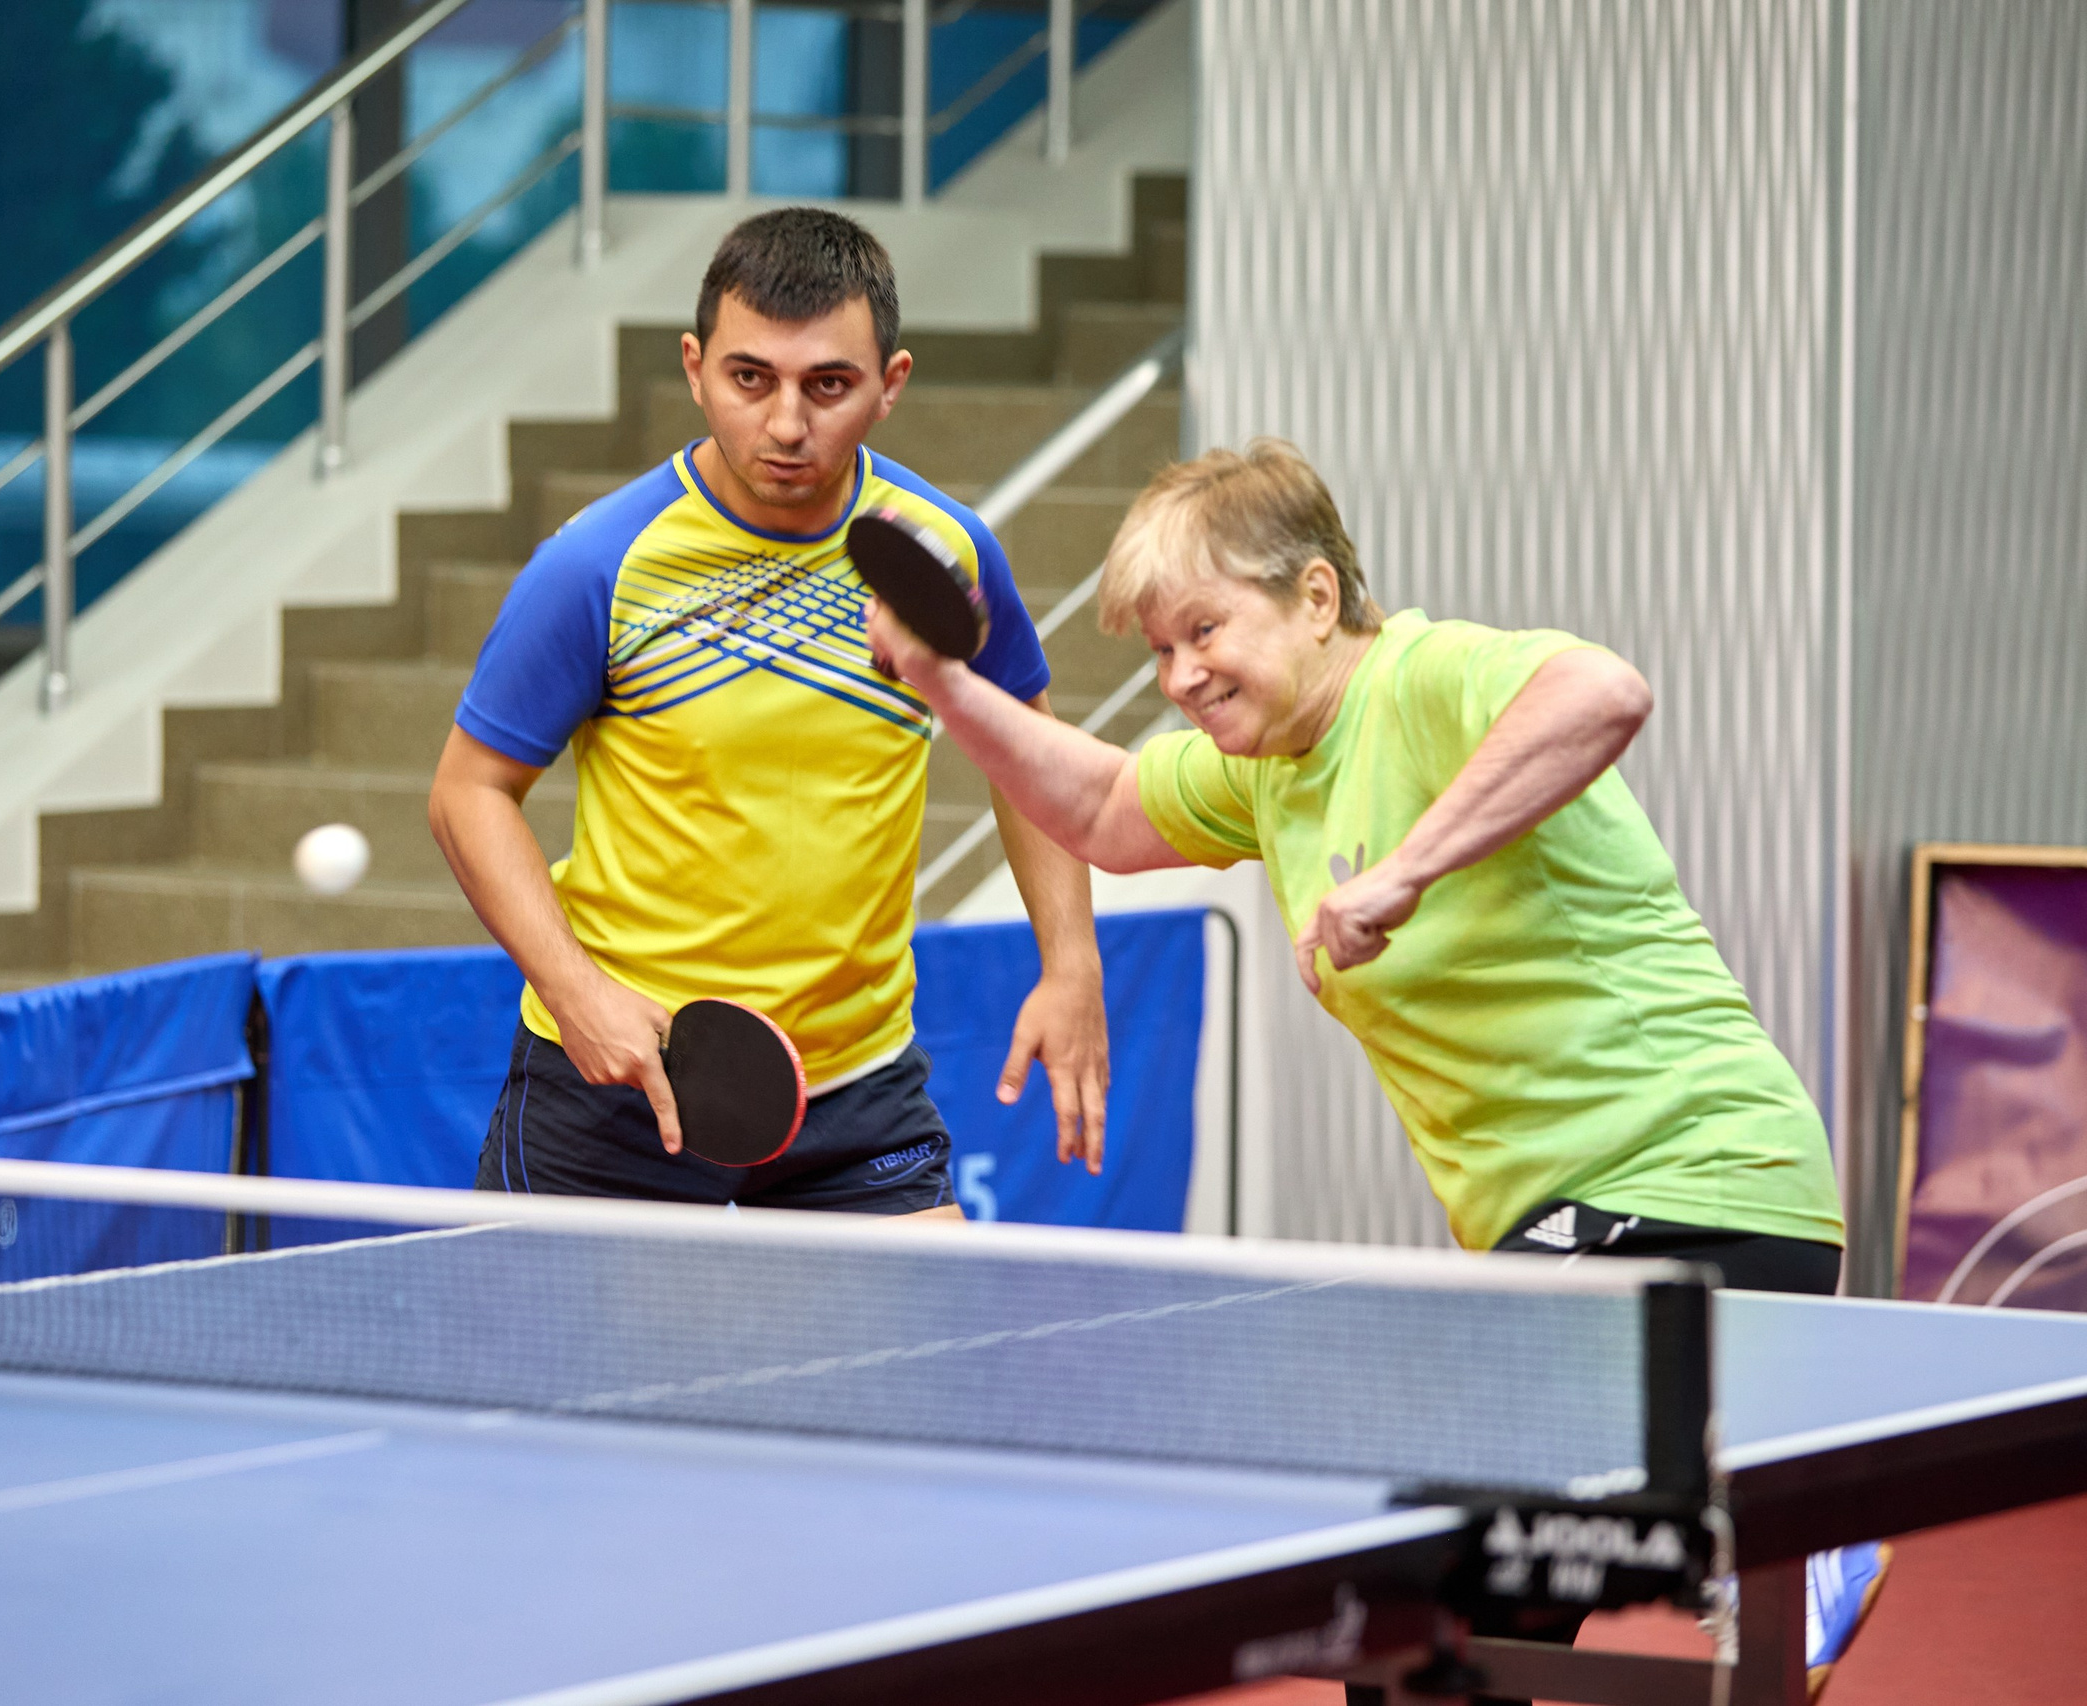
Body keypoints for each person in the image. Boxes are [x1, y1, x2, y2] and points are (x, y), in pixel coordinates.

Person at [862, 438, 1881, 1698]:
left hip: (1691, 1181)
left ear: (1315, 596)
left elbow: (1603, 691)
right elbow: (1104, 812)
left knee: (1421, 1570)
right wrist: (947, 686)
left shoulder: (1421, 675)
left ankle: (1748, 1527)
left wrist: (1406, 869)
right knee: (1425, 1627)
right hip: (1566, 1225)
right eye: (1160, 649)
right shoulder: (1265, 771)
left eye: (1204, 630)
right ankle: (1746, 1539)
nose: (1180, 676)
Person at [427, 207, 1108, 1217]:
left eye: (828, 384)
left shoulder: (942, 552)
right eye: (751, 378)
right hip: (624, 1079)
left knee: (933, 1328)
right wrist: (576, 994)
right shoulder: (597, 564)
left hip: (859, 1087)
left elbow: (1031, 756)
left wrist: (1072, 963)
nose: (787, 424)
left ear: (890, 384)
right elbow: (467, 794)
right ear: (696, 368)